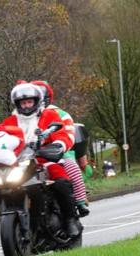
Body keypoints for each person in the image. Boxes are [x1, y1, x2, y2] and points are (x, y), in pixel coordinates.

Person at [0, 82, 79, 237]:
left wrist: (58, 145)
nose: (26, 105)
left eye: (29, 101)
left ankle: (70, 220)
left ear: (37, 101)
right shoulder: (10, 121)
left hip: (44, 159)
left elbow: (61, 133)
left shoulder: (49, 115)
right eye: (23, 102)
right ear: (17, 104)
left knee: (61, 182)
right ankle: (9, 217)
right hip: (18, 163)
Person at [29, 80, 90, 217]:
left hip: (58, 154)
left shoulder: (59, 113)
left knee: (71, 169)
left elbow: (67, 131)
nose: (30, 102)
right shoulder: (21, 116)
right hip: (29, 157)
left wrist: (59, 145)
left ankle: (79, 202)